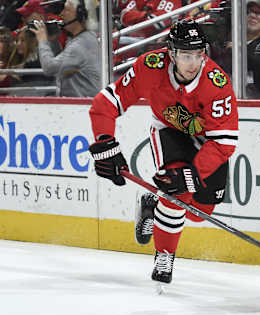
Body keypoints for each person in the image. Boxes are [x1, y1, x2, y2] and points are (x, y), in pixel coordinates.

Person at [88, 20, 238, 284]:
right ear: (171, 53)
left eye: (198, 54)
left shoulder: (217, 84)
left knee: (198, 212)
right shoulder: (150, 67)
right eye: (185, 55)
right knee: (176, 191)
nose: (193, 63)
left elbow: (223, 143)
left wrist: (192, 173)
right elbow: (106, 103)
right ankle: (164, 255)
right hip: (169, 132)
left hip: (209, 142)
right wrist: (104, 143)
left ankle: (151, 206)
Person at [30, 0, 100, 97]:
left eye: (67, 10)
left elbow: (49, 68)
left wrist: (42, 40)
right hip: (79, 104)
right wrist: (53, 41)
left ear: (80, 15)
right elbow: (62, 64)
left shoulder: (80, 44)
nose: (62, 14)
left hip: (83, 106)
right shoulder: (83, 38)